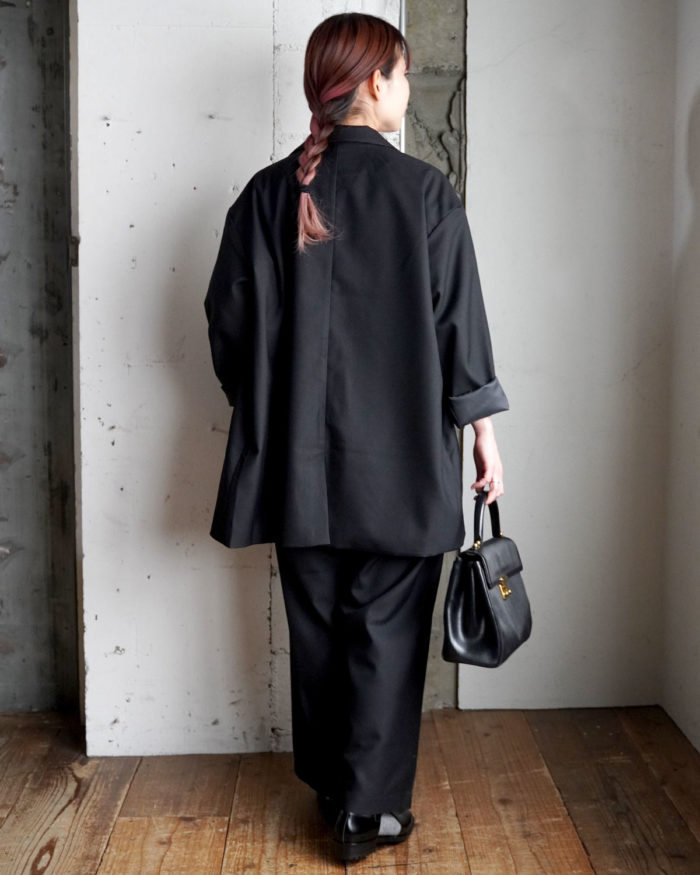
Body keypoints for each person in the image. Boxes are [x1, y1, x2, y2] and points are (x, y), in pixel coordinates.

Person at [205, 12, 508, 863]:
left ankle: (336, 791)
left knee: (318, 637)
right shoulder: (425, 193)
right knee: (385, 636)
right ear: (375, 82)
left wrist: (266, 405)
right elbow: (461, 330)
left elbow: (226, 324)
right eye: (402, 75)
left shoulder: (267, 195)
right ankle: (367, 814)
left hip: (294, 472)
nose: (407, 91)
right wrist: (483, 435)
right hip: (403, 468)